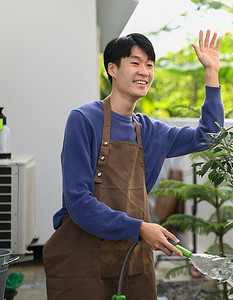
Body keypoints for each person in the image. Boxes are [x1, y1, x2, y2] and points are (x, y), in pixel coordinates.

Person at [43, 29, 223, 299]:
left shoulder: (150, 131)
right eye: (135, 63)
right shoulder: (84, 119)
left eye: (149, 65)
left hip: (133, 259)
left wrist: (211, 73)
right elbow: (78, 202)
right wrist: (138, 228)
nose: (144, 71)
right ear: (112, 69)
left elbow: (210, 136)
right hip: (83, 258)